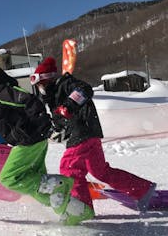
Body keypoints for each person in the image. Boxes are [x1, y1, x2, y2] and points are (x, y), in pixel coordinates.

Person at [0, 54, 90, 225]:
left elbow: (31, 101)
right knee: (35, 185)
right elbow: (4, 123)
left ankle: (60, 185)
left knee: (9, 178)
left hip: (29, 141)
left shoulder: (0, 91)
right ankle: (77, 211)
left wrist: (47, 128)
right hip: (32, 139)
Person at [30, 56, 157, 213]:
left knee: (70, 169)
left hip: (83, 131)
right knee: (100, 171)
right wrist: (56, 130)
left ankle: (81, 210)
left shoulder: (65, 84)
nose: (40, 89)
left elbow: (85, 89)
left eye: (41, 84)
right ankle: (143, 189)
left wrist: (69, 106)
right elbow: (60, 118)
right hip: (86, 133)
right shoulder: (52, 95)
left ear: (48, 79)